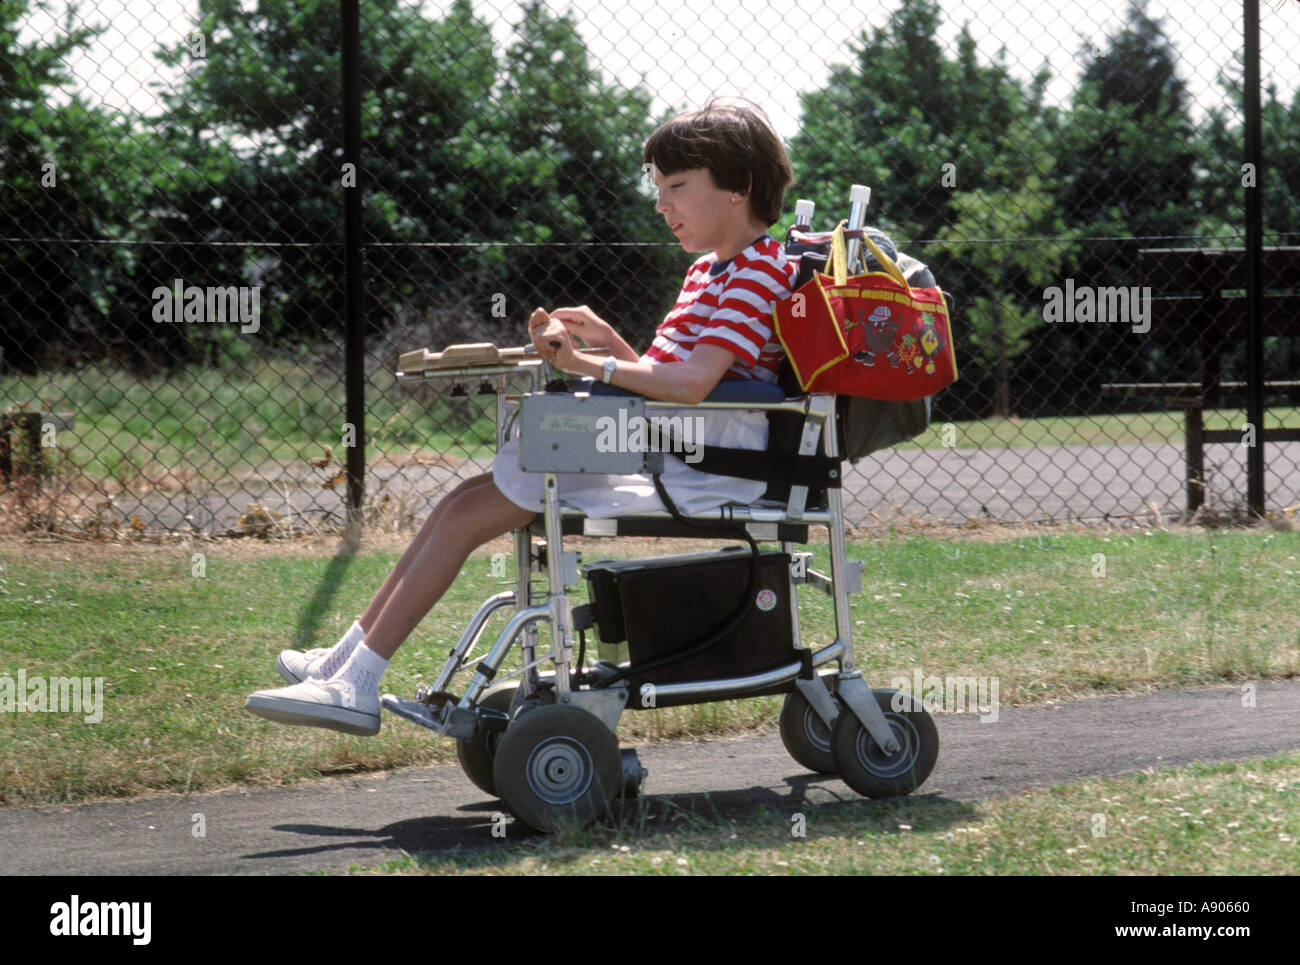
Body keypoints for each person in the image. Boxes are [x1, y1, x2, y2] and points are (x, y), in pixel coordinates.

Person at [245, 99, 797, 736]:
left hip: (701, 472)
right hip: (664, 452)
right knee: (458, 504)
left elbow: (694, 385)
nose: (661, 205)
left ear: (740, 188)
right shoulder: (709, 271)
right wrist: (609, 343)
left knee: (470, 513)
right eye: (659, 189)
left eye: (676, 187)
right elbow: (667, 380)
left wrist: (589, 367)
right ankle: (345, 661)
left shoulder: (757, 272)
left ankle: (358, 683)